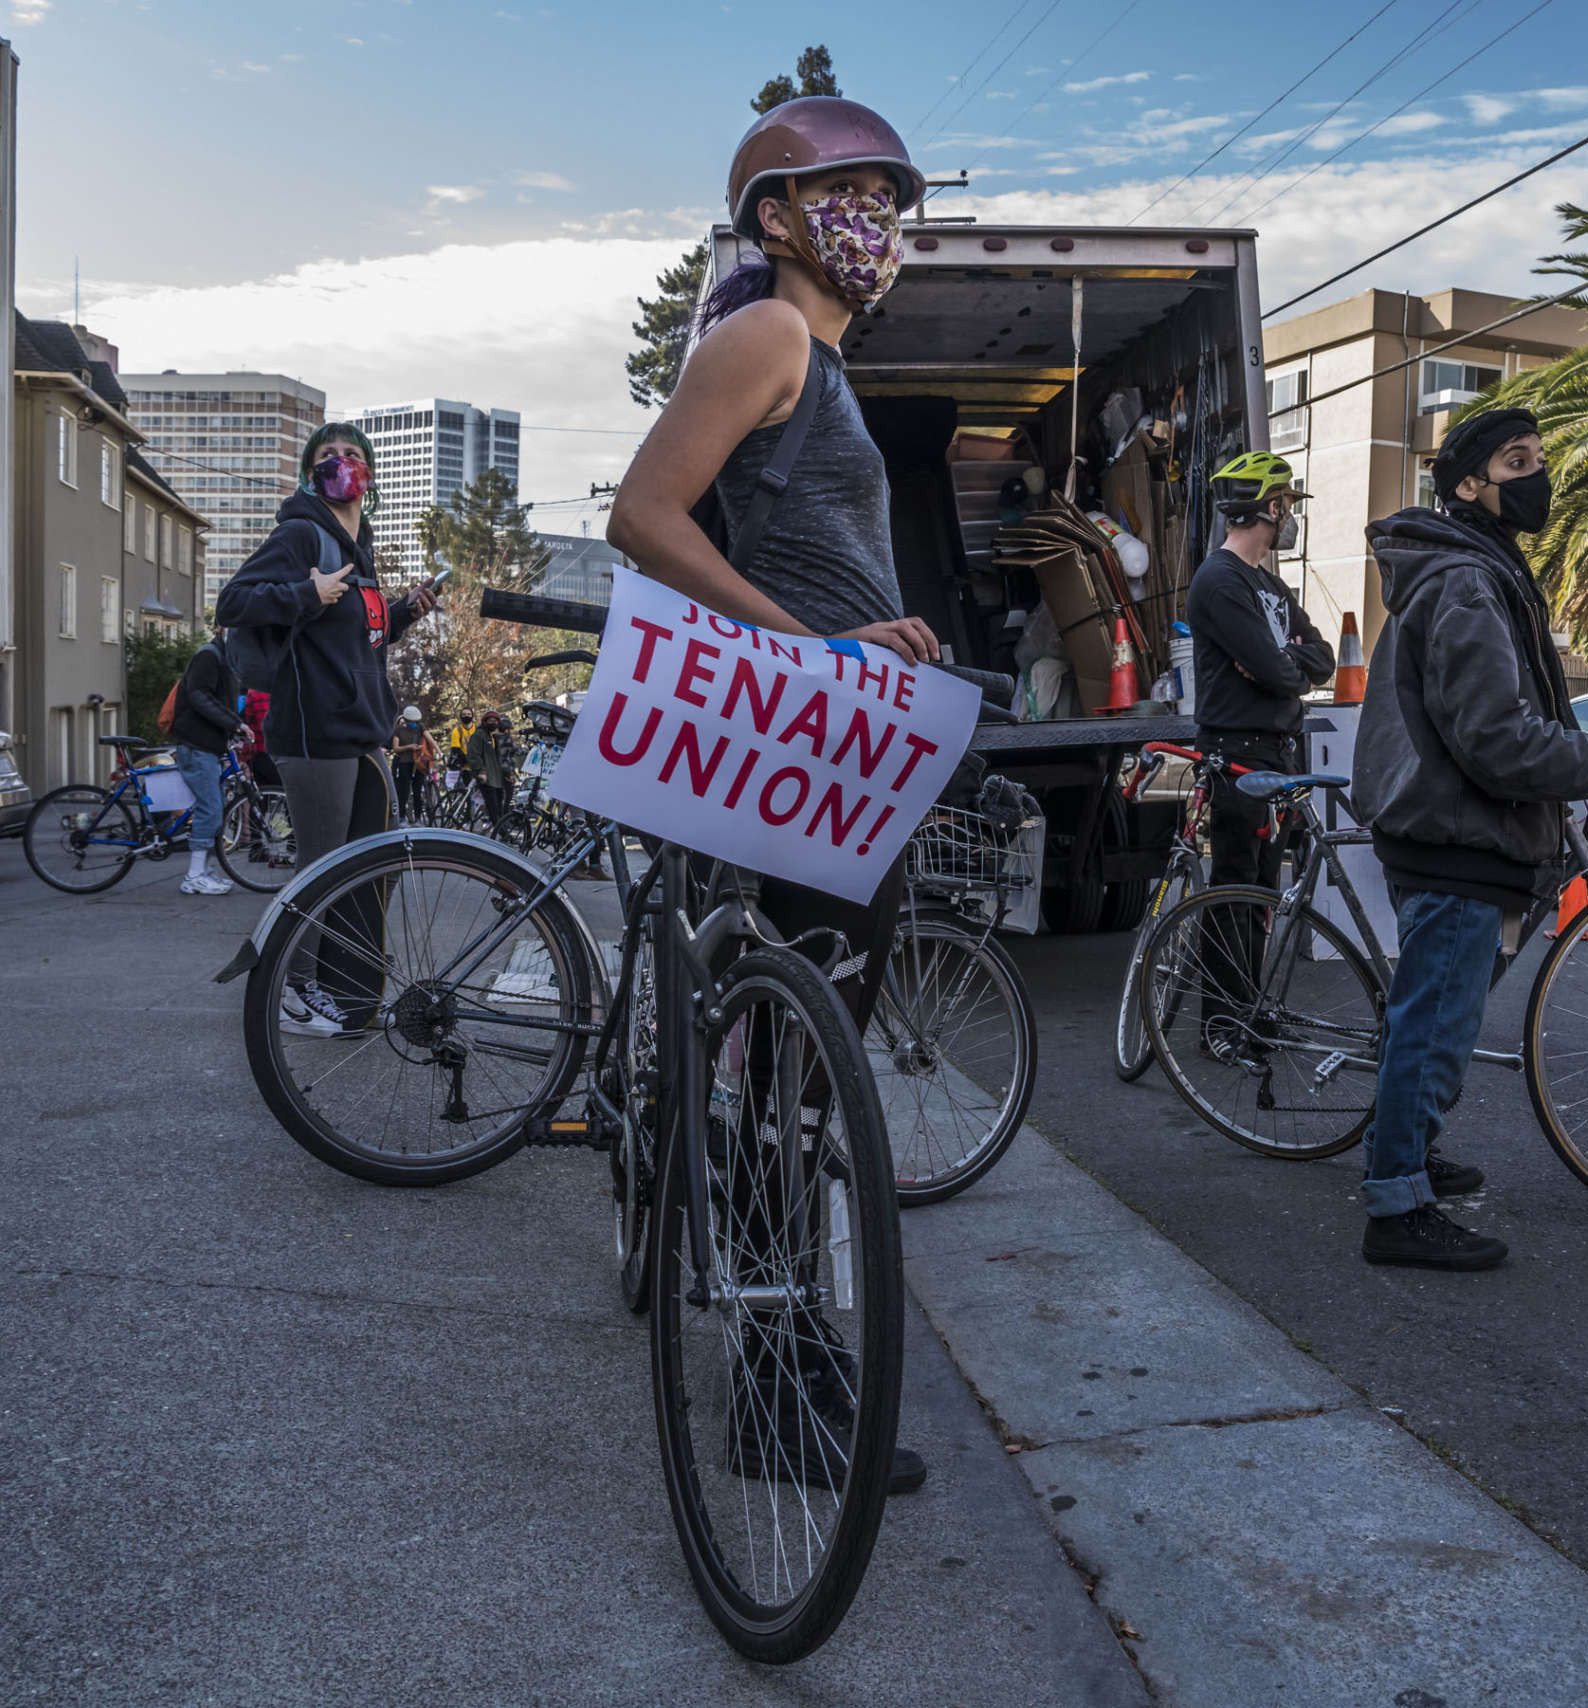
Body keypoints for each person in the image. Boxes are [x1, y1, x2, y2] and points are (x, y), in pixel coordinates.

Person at [607, 94, 935, 1494]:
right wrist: (816, 650)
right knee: (802, 1077)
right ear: (779, 217)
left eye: (894, 200)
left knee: (789, 1064)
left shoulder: (826, 363)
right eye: (855, 194)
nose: (884, 223)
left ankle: (777, 1351)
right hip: (799, 733)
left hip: (840, 732)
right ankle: (781, 1392)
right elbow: (645, 512)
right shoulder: (771, 333)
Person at [1350, 406, 1588, 1270]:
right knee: (1435, 1022)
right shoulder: (1465, 582)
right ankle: (1395, 1206)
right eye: (1517, 461)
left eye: (1539, 459)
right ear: (1468, 486)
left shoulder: (1473, 570)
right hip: (1457, 833)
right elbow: (1494, 737)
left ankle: (1403, 1150)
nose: (1538, 476)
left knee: (1435, 1015)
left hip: (1460, 830)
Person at [216, 422, 438, 1037]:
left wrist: (401, 615)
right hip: (315, 734)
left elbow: (356, 639)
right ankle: (290, 992)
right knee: (321, 870)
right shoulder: (300, 533)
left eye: (352, 456)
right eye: (326, 457)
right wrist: (302, 591)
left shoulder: (359, 548)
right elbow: (232, 603)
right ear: (311, 474)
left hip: (360, 733)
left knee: (369, 873)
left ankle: (349, 995)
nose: (341, 464)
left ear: (369, 473)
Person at [1184, 451, 1334, 1048]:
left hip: (1277, 754)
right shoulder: (1219, 581)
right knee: (1235, 891)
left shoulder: (1269, 584)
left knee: (1263, 895)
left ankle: (1249, 1015)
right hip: (1238, 753)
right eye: (1289, 505)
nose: (1291, 516)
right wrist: (1280, 666)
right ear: (1269, 507)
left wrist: (1282, 663)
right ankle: (1223, 1025)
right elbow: (1276, 672)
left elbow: (1315, 656)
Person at [166, 628, 244, 896]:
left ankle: (204, 871)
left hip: (205, 746)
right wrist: (235, 723)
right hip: (197, 746)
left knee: (214, 806)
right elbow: (200, 697)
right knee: (210, 808)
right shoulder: (209, 657)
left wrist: (234, 727)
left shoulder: (222, 657)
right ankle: (194, 876)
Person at [465, 711, 512, 828]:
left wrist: (507, 773)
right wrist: (481, 771)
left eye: (495, 721)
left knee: (499, 805)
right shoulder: (479, 735)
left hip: (496, 778)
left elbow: (499, 758)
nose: (493, 723)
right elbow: (473, 755)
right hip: (486, 777)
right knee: (493, 807)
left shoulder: (493, 737)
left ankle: (502, 829)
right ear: (484, 722)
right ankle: (501, 831)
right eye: (490, 721)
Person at [389, 707, 431, 822]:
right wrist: (409, 746)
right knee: (404, 791)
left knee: (417, 791)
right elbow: (396, 748)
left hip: (418, 763)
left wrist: (438, 752)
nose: (413, 723)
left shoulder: (420, 727)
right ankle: (402, 817)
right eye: (411, 721)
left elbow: (430, 739)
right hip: (404, 763)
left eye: (415, 721)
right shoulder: (398, 730)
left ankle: (418, 818)